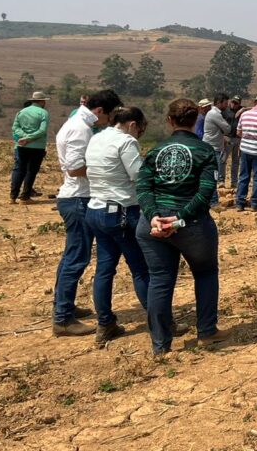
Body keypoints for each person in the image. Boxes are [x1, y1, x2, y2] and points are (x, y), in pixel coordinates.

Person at [136, 98, 225, 354]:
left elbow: (143, 187)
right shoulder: (205, 151)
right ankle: (207, 332)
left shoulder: (155, 151)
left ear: (169, 121)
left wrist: (154, 216)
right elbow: (205, 192)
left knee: (160, 280)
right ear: (196, 119)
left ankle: (160, 345)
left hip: (152, 226)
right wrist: (179, 219)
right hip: (192, 226)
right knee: (206, 273)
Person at [52, 89, 122, 336]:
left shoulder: (77, 123)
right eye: (110, 115)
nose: (109, 121)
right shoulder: (81, 129)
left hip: (76, 197)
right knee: (77, 258)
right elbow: (74, 168)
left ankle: (64, 305)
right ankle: (62, 318)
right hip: (78, 198)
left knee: (71, 256)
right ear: (100, 111)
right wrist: (104, 170)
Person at [84, 106, 157, 343]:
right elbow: (138, 175)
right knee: (141, 268)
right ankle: (160, 322)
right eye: (140, 129)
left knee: (104, 269)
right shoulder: (126, 142)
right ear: (133, 125)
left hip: (96, 209)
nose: (138, 135)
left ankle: (105, 323)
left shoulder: (96, 138)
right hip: (122, 211)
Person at [10, 91, 51, 203]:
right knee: (31, 171)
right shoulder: (43, 113)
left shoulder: (21, 112)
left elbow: (15, 128)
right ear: (42, 101)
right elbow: (42, 131)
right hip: (37, 147)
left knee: (19, 169)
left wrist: (24, 137)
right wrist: (30, 137)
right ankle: (25, 197)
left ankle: (13, 196)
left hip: (22, 145)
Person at [202, 93, 232, 196]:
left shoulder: (213, 113)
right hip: (212, 148)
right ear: (219, 103)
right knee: (214, 174)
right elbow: (227, 129)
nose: (226, 105)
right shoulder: (215, 114)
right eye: (225, 103)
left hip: (212, 146)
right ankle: (213, 200)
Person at [223, 97, 242, 187]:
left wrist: (244, 109)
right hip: (227, 138)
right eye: (233, 102)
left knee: (236, 161)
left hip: (238, 139)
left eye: (236, 103)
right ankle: (221, 180)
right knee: (223, 160)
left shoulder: (242, 111)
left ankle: (234, 182)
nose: (234, 104)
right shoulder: (225, 111)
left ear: (239, 104)